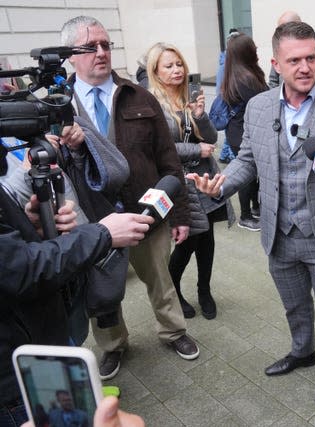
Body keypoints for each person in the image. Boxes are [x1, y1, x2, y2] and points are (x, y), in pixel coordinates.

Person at [188, 21, 315, 405]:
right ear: (276, 63)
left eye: (311, 58)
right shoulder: (258, 107)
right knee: (293, 303)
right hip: (279, 233)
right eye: (295, 60)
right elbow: (247, 161)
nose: (305, 67)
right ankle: (303, 351)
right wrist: (221, 185)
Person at [60, 15, 199, 382]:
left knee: (160, 278)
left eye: (106, 44)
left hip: (145, 211)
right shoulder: (58, 106)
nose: (102, 52)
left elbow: (169, 160)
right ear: (71, 56)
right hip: (94, 219)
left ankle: (174, 331)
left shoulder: (139, 96)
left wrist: (180, 215)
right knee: (101, 290)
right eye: (90, 47)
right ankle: (112, 346)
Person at [0, 141, 153, 426]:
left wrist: (28, 226)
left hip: (41, 335)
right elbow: (17, 269)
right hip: (17, 376)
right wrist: (103, 233)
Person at [146, 42, 233, 321]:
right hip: (178, 181)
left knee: (207, 239)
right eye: (168, 66)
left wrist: (199, 115)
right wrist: (196, 150)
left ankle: (204, 290)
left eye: (179, 64)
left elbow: (211, 138)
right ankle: (175, 292)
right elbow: (159, 148)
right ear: (156, 72)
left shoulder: (189, 97)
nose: (176, 70)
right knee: (187, 242)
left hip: (204, 178)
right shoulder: (152, 104)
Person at [217, 33, 267, 232]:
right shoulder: (245, 78)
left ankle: (255, 209)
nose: (256, 51)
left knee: (252, 173)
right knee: (246, 174)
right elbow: (264, 102)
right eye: (253, 48)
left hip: (237, 131)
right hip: (243, 134)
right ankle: (245, 216)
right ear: (246, 52)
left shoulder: (236, 74)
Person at [268, 11, 315, 88]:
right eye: (294, 60)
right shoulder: (281, 46)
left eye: (310, 58)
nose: (304, 69)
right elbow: (273, 81)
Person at [21, 396, 145, 427]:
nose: (66, 402)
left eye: (68, 400)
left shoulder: (83, 414)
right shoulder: (53, 415)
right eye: (63, 401)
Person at [217, 28, 239, 164]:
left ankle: (224, 154)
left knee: (228, 131)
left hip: (230, 102)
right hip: (229, 102)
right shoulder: (226, 64)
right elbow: (221, 86)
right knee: (229, 130)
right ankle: (230, 156)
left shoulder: (229, 61)